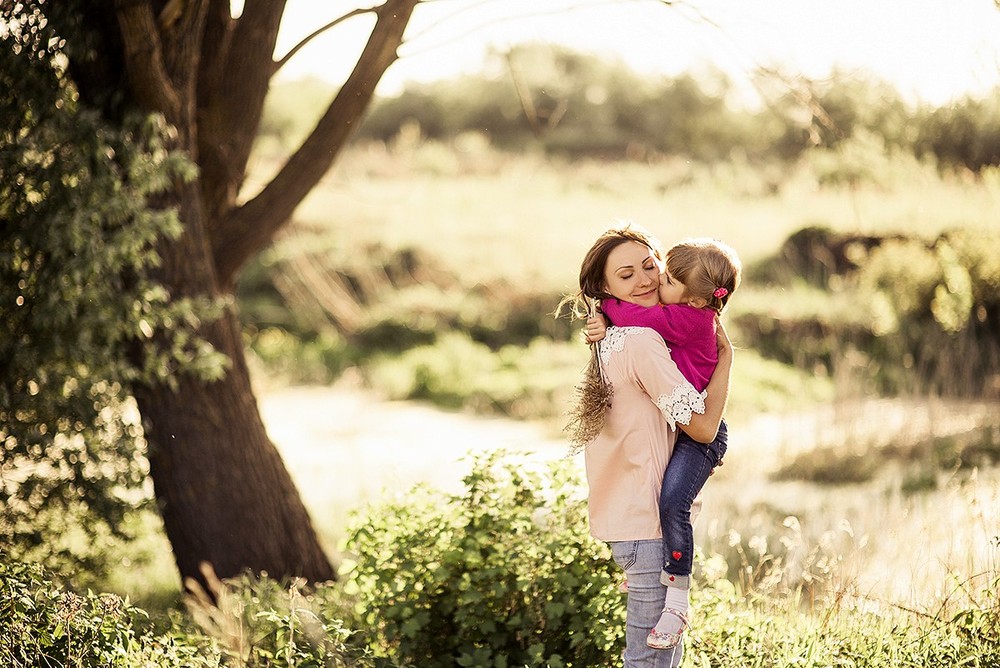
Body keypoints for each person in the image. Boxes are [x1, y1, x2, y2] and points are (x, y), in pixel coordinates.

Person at [563, 224, 733, 667]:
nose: (645, 279)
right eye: (626, 275)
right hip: (649, 526)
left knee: (648, 656)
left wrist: (604, 313)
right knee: (650, 662)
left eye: (649, 265)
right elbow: (702, 430)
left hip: (628, 517)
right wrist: (727, 360)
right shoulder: (639, 341)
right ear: (605, 286)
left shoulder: (614, 333)